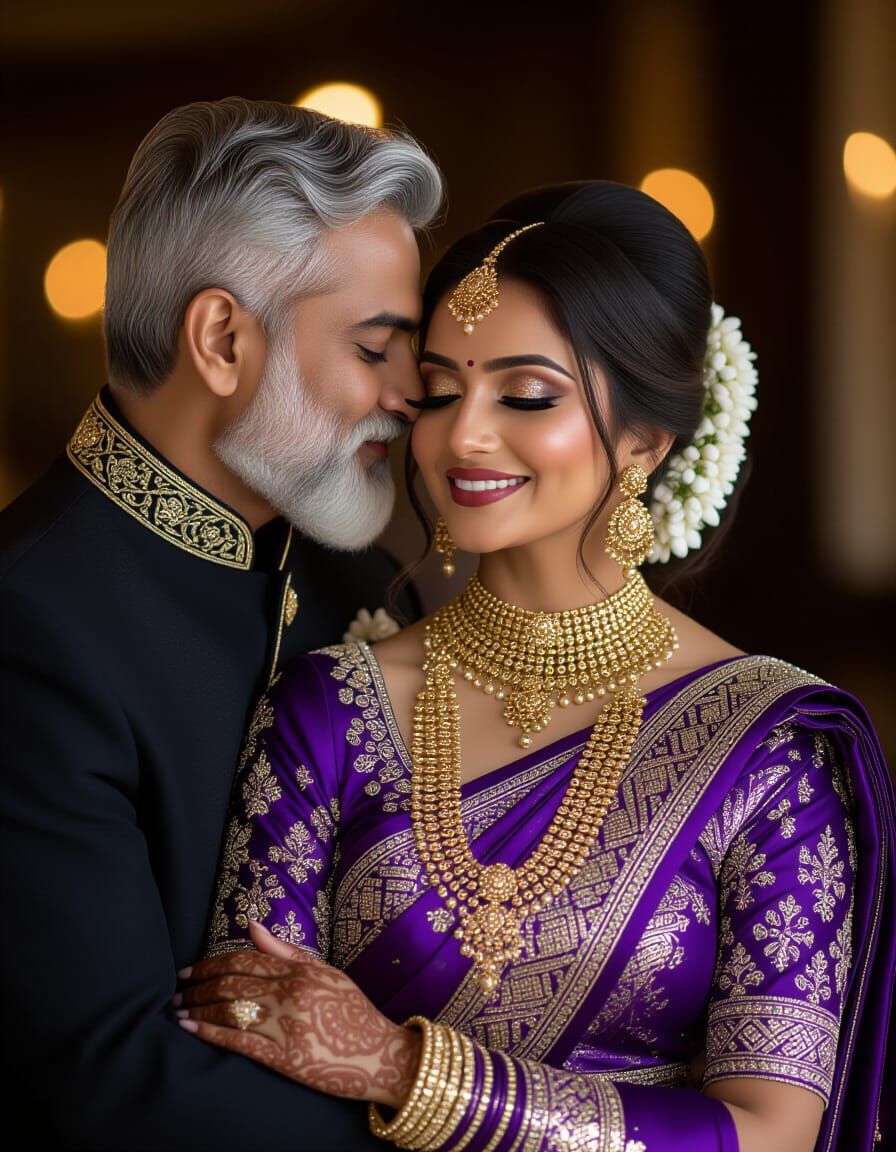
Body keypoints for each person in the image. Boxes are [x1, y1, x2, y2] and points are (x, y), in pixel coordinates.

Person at [176, 181, 894, 1152]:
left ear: (644, 439)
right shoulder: (330, 711)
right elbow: (243, 1032)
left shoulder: (769, 748)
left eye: (524, 395)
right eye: (437, 390)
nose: (460, 436)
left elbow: (768, 1133)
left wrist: (406, 1069)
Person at [0, 97, 445, 1149]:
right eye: (376, 346)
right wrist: (464, 1115)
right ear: (220, 339)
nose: (409, 393)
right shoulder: (28, 625)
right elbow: (117, 1082)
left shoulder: (354, 569)